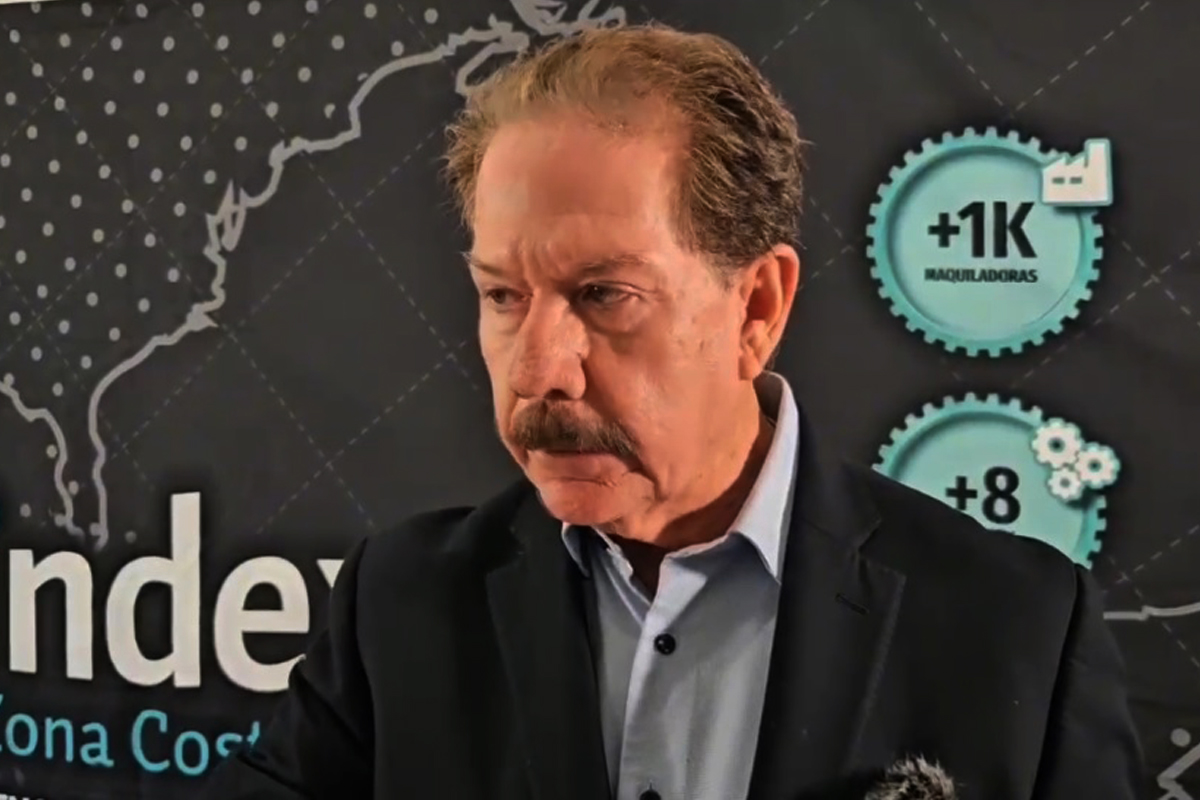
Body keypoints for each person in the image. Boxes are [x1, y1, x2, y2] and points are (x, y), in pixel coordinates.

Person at [203, 23, 1143, 800]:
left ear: (757, 308)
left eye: (604, 295)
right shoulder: (400, 608)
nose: (538, 370)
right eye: (502, 296)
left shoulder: (1014, 628)